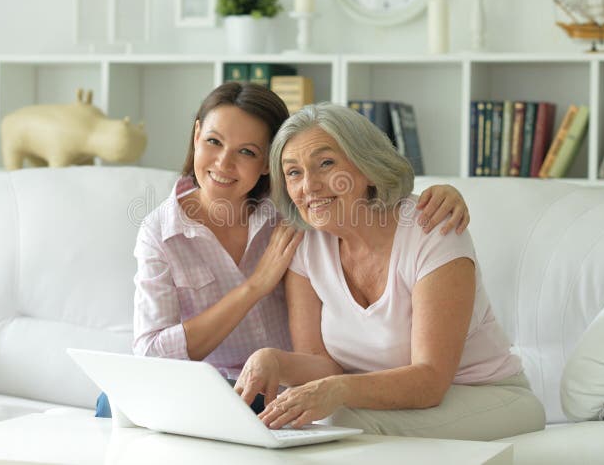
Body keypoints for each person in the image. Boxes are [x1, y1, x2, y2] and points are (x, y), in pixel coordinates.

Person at [97, 83, 472, 417]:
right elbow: (149, 356)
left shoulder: (296, 212)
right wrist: (255, 286)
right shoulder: (159, 232)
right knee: (109, 402)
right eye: (213, 141)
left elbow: (366, 192)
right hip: (209, 387)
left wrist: (443, 193)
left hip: (286, 389)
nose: (223, 163)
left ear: (266, 164)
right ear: (196, 135)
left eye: (246, 151)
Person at [234, 102, 546, 441]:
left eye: (326, 164)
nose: (308, 186)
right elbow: (320, 364)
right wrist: (273, 361)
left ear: (367, 167)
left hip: (488, 396)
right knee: (320, 422)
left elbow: (430, 380)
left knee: (341, 425)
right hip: (377, 406)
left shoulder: (431, 228)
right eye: (293, 172)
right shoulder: (306, 245)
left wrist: (335, 390)